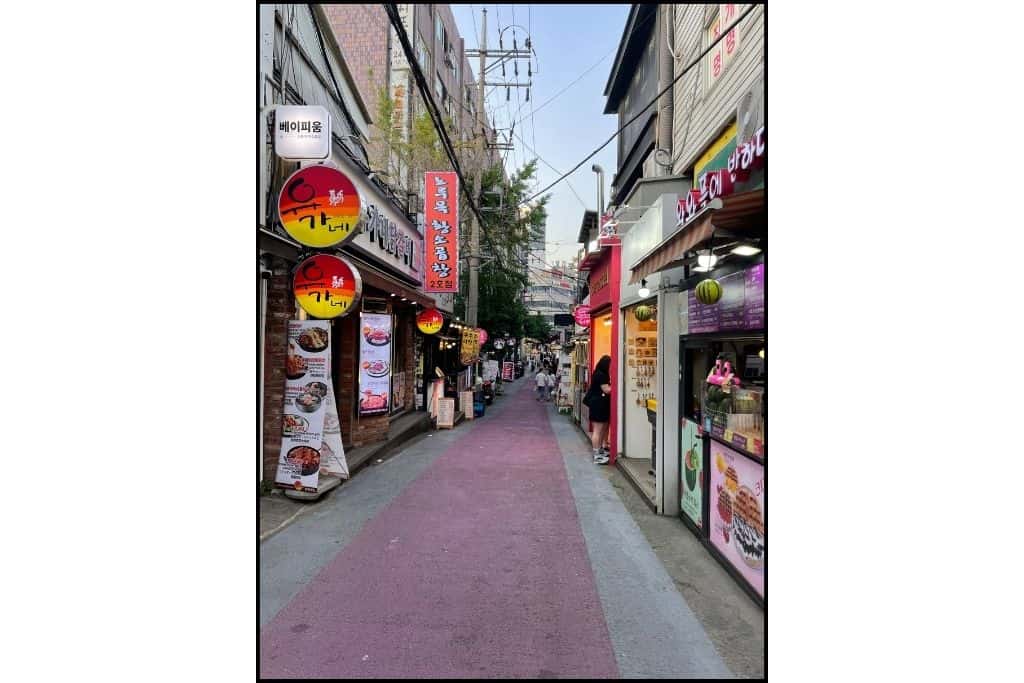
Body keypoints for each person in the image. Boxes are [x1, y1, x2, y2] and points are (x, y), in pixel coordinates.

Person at [584, 355, 613, 464]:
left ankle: (600, 450)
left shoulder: (600, 373)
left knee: (602, 429)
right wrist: (617, 385)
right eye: (610, 365)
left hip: (600, 404)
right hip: (598, 405)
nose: (611, 367)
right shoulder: (601, 375)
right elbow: (606, 390)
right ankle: (597, 454)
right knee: (598, 430)